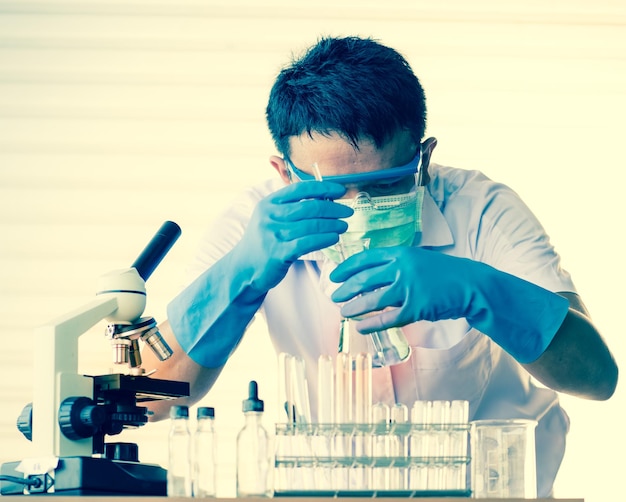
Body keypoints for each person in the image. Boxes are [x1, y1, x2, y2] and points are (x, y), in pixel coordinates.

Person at [144, 36, 617, 496]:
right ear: (284, 174)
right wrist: (240, 277)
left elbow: (596, 377)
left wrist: (481, 292)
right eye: (330, 190)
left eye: (383, 186)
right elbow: (153, 399)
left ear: (424, 160)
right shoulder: (256, 226)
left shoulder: (482, 211)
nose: (357, 210)